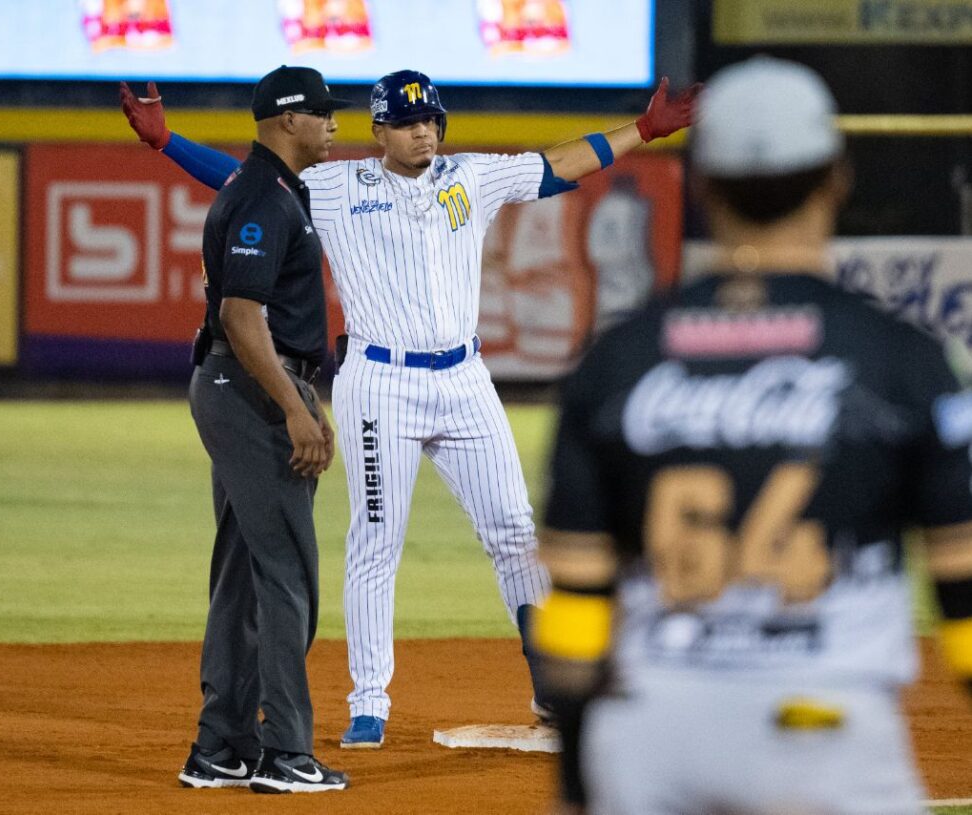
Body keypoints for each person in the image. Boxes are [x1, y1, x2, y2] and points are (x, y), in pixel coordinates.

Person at [121, 69, 699, 748]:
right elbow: (241, 180)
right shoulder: (338, 187)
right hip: (379, 381)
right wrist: (166, 142)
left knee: (515, 530)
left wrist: (646, 128)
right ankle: (370, 701)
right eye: (405, 121)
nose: (422, 130)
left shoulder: (470, 178)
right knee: (375, 543)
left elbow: (558, 163)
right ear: (379, 131)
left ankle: (552, 685)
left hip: (465, 378)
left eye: (430, 120)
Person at [532, 56, 972, 814]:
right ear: (837, 176)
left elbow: (575, 610)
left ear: (701, 185)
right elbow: (964, 606)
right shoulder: (902, 360)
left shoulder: (619, 359)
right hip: (826, 734)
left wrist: (580, 778)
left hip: (652, 740)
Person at [176, 64, 350, 793]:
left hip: (244, 386)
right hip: (249, 389)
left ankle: (222, 745)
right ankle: (286, 753)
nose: (334, 123)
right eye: (322, 111)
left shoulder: (276, 191)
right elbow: (241, 317)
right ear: (286, 120)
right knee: (287, 577)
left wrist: (305, 397)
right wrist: (291, 404)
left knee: (245, 573)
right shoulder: (262, 199)